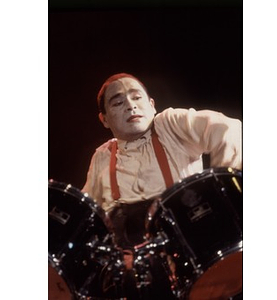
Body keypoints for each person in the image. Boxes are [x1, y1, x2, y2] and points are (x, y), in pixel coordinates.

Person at [82, 73, 242, 300]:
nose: (130, 105)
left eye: (137, 97)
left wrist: (218, 194)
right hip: (137, 278)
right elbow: (88, 216)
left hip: (191, 256)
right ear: (105, 119)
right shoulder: (102, 156)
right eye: (118, 102)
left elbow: (229, 129)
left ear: (151, 105)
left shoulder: (170, 124)